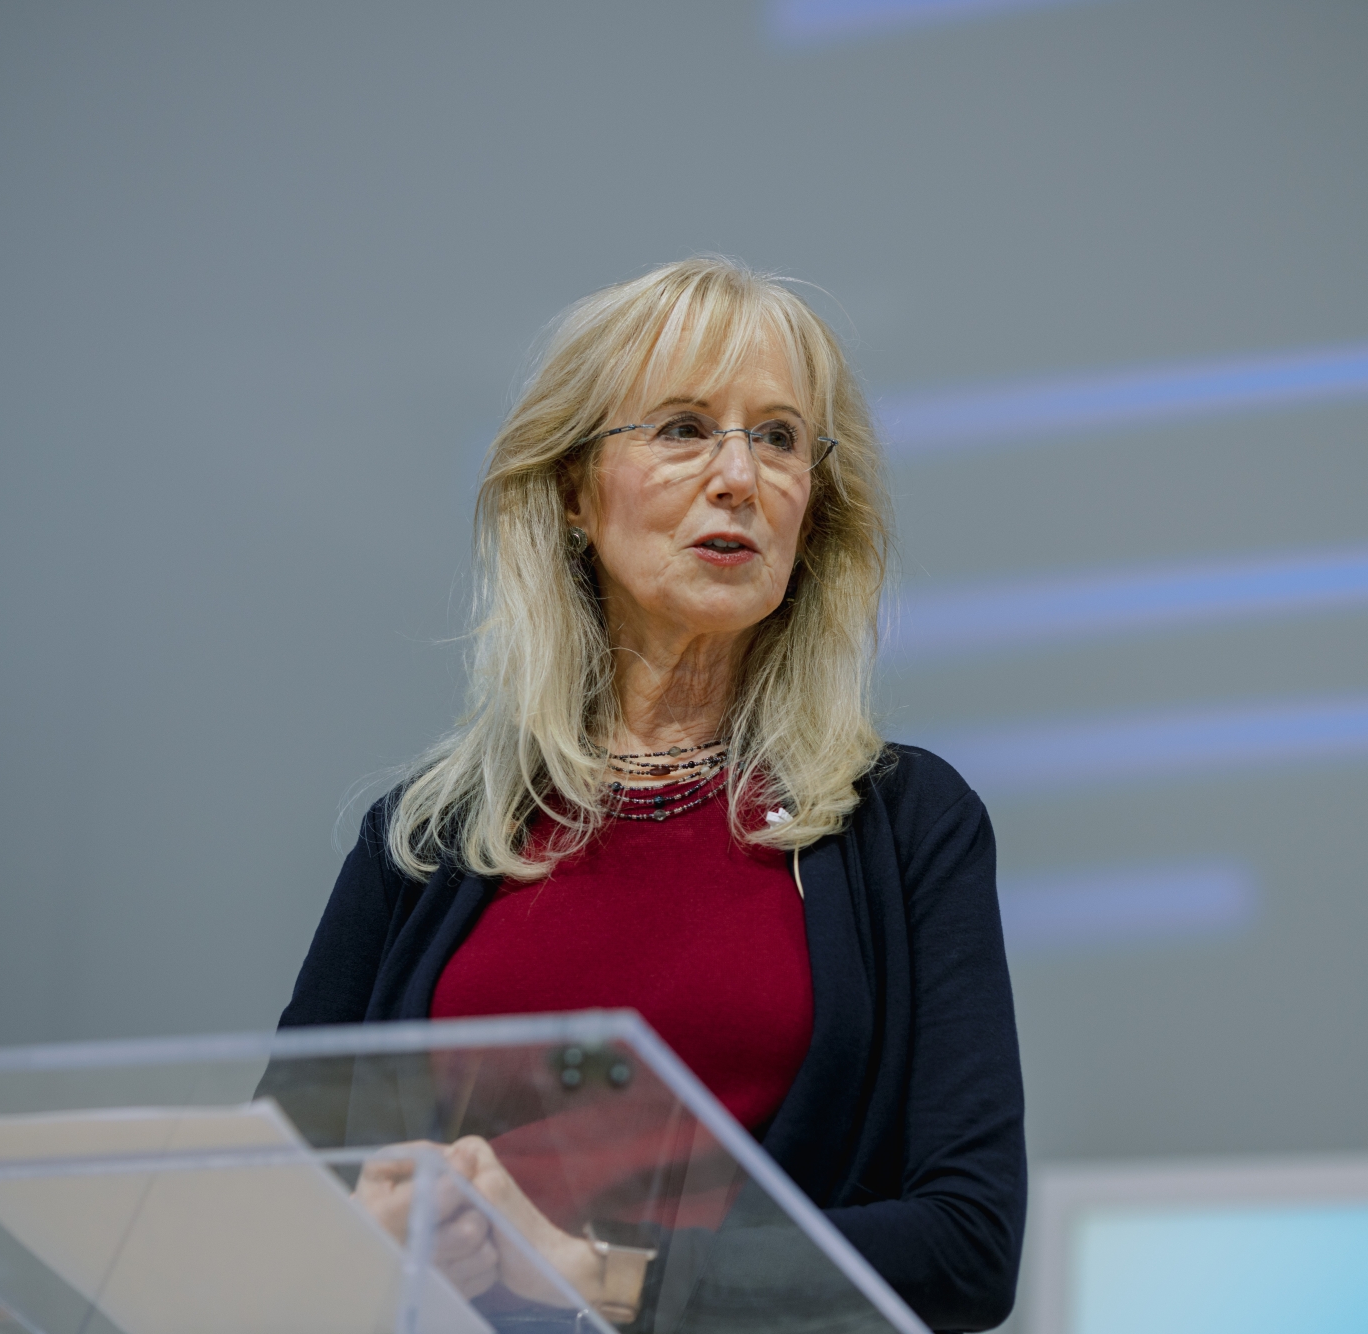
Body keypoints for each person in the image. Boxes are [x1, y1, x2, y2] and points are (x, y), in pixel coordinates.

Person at [274, 256, 1025, 1331]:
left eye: (777, 436)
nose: (739, 475)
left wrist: (594, 1271)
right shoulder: (429, 833)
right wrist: (390, 1217)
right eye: (680, 427)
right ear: (575, 491)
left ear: (812, 507)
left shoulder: (904, 821)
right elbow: (276, 1193)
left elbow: (964, 1245)